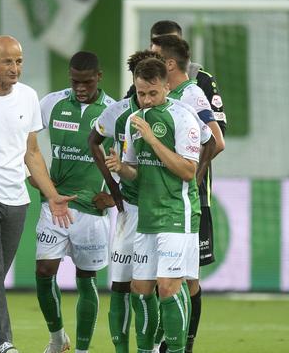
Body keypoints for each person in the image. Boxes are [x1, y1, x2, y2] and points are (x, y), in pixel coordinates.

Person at [0, 35, 75, 353]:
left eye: (19, 61)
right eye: (8, 61)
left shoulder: (27, 97)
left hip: (16, 199)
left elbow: (32, 153)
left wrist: (51, 195)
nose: (15, 67)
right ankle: (5, 342)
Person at [106, 58, 202, 353]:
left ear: (165, 86)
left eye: (152, 93)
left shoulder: (184, 117)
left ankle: (176, 349)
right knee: (140, 290)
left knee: (168, 287)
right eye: (140, 93)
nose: (146, 100)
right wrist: (121, 168)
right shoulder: (134, 119)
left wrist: (152, 138)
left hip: (176, 212)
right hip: (146, 214)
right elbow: (136, 170)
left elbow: (188, 170)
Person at [33, 51, 115, 353]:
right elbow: (24, 141)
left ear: (99, 77)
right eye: (75, 81)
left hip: (92, 211)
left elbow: (131, 157)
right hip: (54, 204)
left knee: (86, 277)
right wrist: (34, 175)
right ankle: (57, 339)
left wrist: (115, 194)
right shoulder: (51, 103)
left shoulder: (113, 111)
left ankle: (81, 349)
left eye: (87, 82)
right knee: (44, 272)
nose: (80, 87)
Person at [150, 33, 226, 352]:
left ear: (169, 62)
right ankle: (166, 343)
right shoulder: (162, 93)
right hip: (160, 201)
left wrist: (193, 177)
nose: (148, 60)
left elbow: (217, 141)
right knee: (166, 278)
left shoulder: (191, 94)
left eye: (154, 55)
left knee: (184, 279)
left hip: (184, 204)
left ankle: (181, 345)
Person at [89, 50, 163, 353]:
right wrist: (114, 189)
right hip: (128, 210)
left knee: (157, 286)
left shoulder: (172, 112)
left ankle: (157, 345)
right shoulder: (119, 113)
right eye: (138, 81)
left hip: (161, 209)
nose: (143, 92)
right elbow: (93, 142)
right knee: (120, 286)